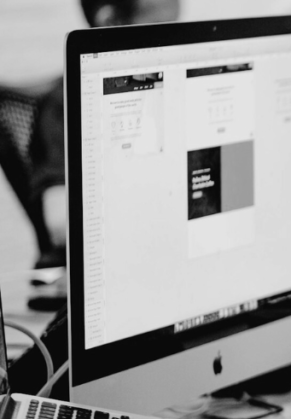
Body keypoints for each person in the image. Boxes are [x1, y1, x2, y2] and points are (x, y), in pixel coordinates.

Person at [23, 0, 179, 309]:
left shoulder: (162, 84)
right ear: (110, 20)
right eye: (159, 28)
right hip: (102, 283)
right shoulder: (68, 102)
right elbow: (59, 221)